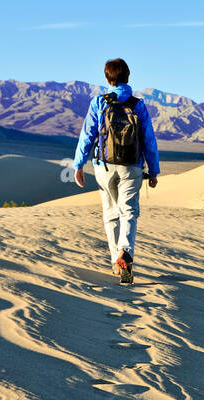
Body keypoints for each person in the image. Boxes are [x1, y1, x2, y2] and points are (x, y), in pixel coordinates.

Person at [72, 57, 160, 284]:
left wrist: (78, 164)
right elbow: (149, 140)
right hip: (132, 167)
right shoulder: (137, 104)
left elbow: (88, 134)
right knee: (129, 212)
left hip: (104, 165)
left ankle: (115, 262)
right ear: (128, 77)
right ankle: (126, 253)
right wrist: (154, 170)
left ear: (107, 78)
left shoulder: (99, 102)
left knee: (111, 214)